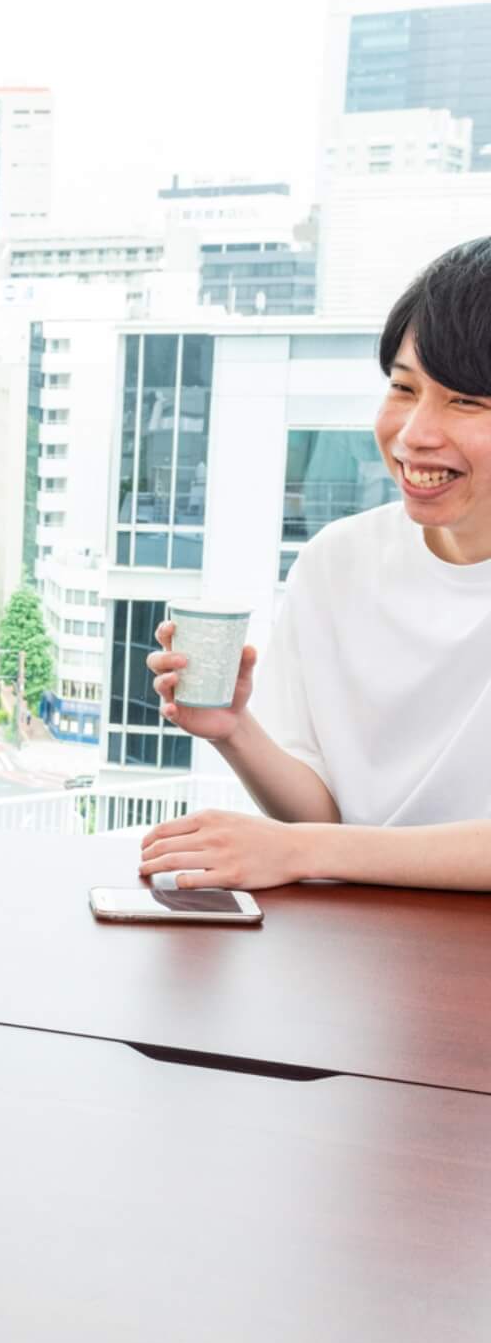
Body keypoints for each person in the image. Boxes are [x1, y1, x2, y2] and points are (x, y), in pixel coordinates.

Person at [141, 236, 491, 892]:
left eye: (466, 402)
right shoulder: (339, 561)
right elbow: (321, 813)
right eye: (403, 389)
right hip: (360, 954)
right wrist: (233, 730)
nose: (415, 432)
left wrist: (302, 852)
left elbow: (314, 842)